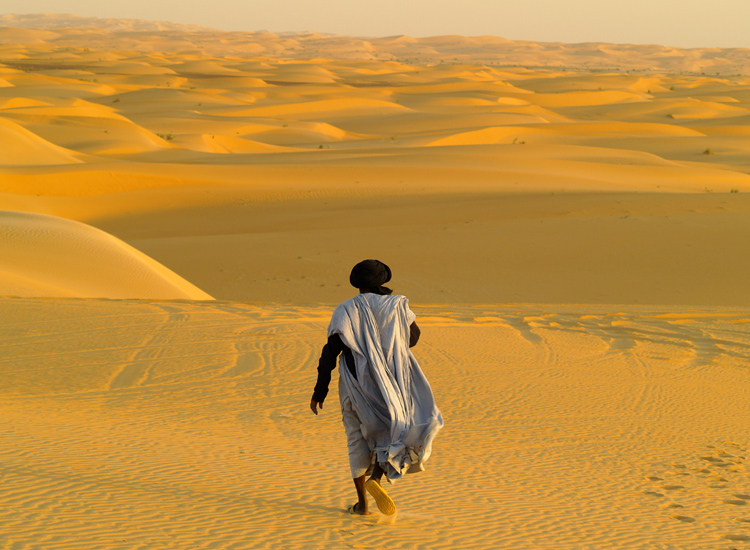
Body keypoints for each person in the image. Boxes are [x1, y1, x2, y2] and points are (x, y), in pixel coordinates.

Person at [310, 259, 443, 516]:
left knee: (355, 437)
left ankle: (362, 504)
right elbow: (412, 340)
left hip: (355, 385)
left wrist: (319, 390)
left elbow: (330, 352)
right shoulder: (397, 306)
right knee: (391, 430)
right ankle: (377, 479)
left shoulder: (345, 309)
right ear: (382, 281)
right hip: (391, 384)